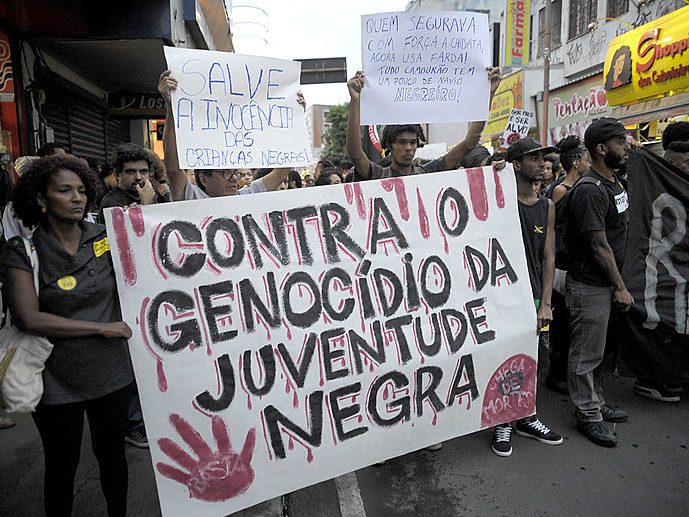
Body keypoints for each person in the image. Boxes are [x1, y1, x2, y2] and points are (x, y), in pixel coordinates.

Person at [1, 154, 134, 516]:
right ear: (41, 199)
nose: (77, 198)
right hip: (56, 382)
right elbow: (29, 318)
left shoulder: (108, 238)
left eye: (80, 190)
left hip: (112, 375)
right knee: (61, 466)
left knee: (113, 460)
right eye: (64, 190)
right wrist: (100, 327)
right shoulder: (22, 251)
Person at [490, 137, 563, 457]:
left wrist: (546, 302)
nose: (542, 164)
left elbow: (549, 257)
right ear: (516, 165)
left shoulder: (547, 206)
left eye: (543, 158)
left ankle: (526, 416)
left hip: (533, 297)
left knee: (532, 358)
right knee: (505, 357)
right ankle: (503, 420)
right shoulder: (499, 200)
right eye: (533, 158)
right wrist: (491, 172)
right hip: (501, 297)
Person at [566, 117, 632, 447]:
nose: (629, 145)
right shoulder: (589, 191)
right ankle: (587, 415)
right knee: (586, 354)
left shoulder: (614, 183)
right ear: (602, 150)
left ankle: (597, 403)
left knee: (599, 352)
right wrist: (619, 286)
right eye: (622, 142)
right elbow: (598, 243)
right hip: (591, 285)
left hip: (606, 284)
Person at [157, 70, 298, 201]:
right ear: (204, 179)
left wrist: (294, 117)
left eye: (234, 172)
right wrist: (171, 107)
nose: (234, 178)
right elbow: (173, 170)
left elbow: (280, 174)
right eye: (225, 173)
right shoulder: (192, 197)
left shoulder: (245, 196)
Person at [345, 67, 502, 179]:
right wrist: (355, 100)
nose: (408, 148)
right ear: (389, 145)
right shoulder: (378, 175)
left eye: (413, 142)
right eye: (402, 142)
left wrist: (489, 94)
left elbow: (469, 144)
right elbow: (356, 154)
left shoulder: (426, 173)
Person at [98, 143, 156, 223]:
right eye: (131, 172)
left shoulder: (150, 197)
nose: (138, 177)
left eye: (143, 171)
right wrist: (146, 206)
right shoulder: (111, 202)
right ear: (117, 175)